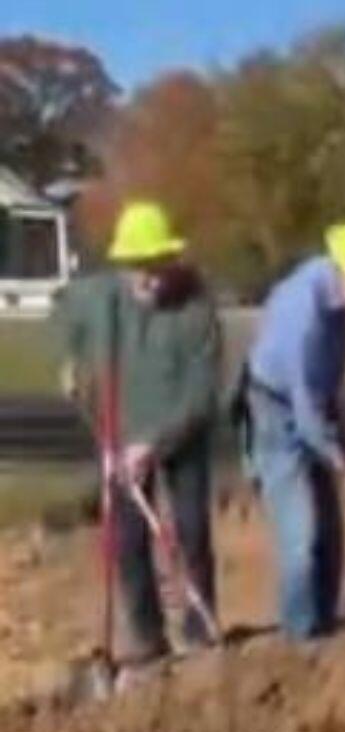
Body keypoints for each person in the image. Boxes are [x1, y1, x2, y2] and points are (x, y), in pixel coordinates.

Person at [55, 200, 221, 664]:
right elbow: (64, 311)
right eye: (137, 268)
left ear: (172, 260)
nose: (147, 279)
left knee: (190, 531)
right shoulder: (100, 296)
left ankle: (200, 632)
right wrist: (70, 359)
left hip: (180, 434)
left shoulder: (197, 310)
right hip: (121, 430)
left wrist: (155, 443)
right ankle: (147, 638)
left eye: (156, 267)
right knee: (128, 540)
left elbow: (202, 394)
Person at [242, 215, 345, 640]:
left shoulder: (338, 304)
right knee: (301, 535)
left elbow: (326, 390)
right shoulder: (304, 313)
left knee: (331, 535)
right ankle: (300, 644)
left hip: (313, 405)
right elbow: (305, 409)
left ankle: (326, 628)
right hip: (275, 412)